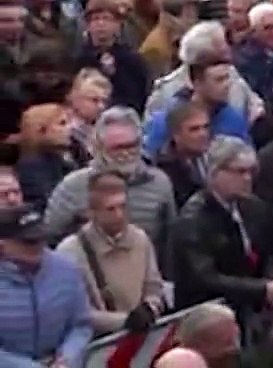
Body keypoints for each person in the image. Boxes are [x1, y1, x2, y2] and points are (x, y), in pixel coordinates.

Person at [170, 137, 273, 337]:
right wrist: (261, 289)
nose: (248, 178)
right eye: (240, 172)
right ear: (215, 173)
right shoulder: (192, 220)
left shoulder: (253, 207)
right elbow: (205, 278)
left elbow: (272, 250)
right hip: (207, 319)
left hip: (252, 312)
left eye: (251, 171)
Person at [43, 107, 177, 248]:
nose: (126, 153)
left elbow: (170, 241)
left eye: (131, 146)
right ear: (99, 148)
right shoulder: (73, 186)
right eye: (118, 148)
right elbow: (49, 238)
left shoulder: (160, 183)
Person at [54, 170, 166, 335]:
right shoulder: (70, 252)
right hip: (98, 342)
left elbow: (154, 286)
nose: (119, 215)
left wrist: (150, 309)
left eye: (123, 207)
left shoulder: (140, 239)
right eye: (110, 209)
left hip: (142, 334)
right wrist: (125, 321)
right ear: (92, 212)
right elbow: (75, 312)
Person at [0, 205, 92, 367]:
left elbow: (81, 325)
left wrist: (68, 358)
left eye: (42, 238)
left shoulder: (67, 269)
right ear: (3, 244)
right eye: (29, 242)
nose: (39, 246)